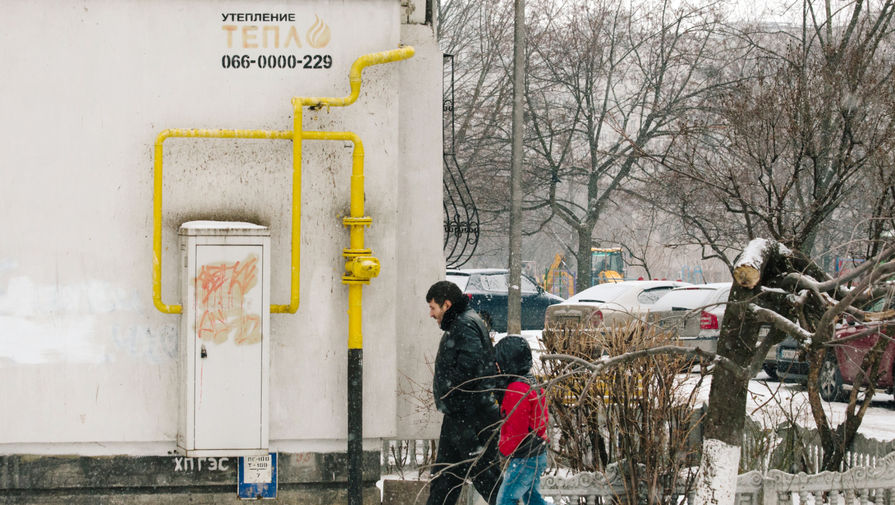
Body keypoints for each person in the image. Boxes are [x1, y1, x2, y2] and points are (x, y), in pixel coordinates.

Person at [426, 280, 503, 505]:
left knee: (483, 477)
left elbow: (471, 372)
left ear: (446, 305)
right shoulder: (464, 322)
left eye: (433, 308)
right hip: (463, 416)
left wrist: (452, 398)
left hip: (469, 418)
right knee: (446, 478)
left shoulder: (463, 325)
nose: (431, 314)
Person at [493, 336, 549, 505]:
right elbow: (539, 421)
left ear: (507, 362)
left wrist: (503, 449)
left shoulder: (516, 389)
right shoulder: (531, 383)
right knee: (534, 501)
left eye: (498, 361)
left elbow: (517, 432)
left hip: (525, 457)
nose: (496, 365)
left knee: (505, 500)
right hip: (537, 452)